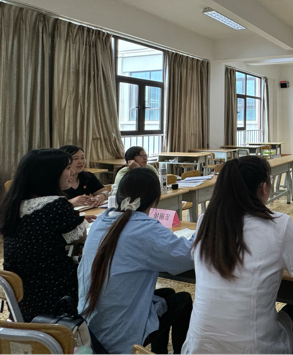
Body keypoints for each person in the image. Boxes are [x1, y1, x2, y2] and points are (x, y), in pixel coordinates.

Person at [182, 156, 293, 355]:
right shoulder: (279, 224)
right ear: (263, 187)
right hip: (254, 349)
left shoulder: (205, 222)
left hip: (197, 349)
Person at [78, 167, 194, 355]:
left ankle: (159, 351)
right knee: (183, 300)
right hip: (119, 334)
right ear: (155, 200)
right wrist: (202, 232)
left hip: (92, 329)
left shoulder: (102, 220)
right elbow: (186, 257)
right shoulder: (144, 228)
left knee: (168, 294)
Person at [0, 149, 90, 321]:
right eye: (67, 168)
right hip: (53, 295)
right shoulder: (56, 205)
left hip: (21, 298)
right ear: (49, 174)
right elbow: (81, 236)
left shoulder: (12, 204)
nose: (72, 172)